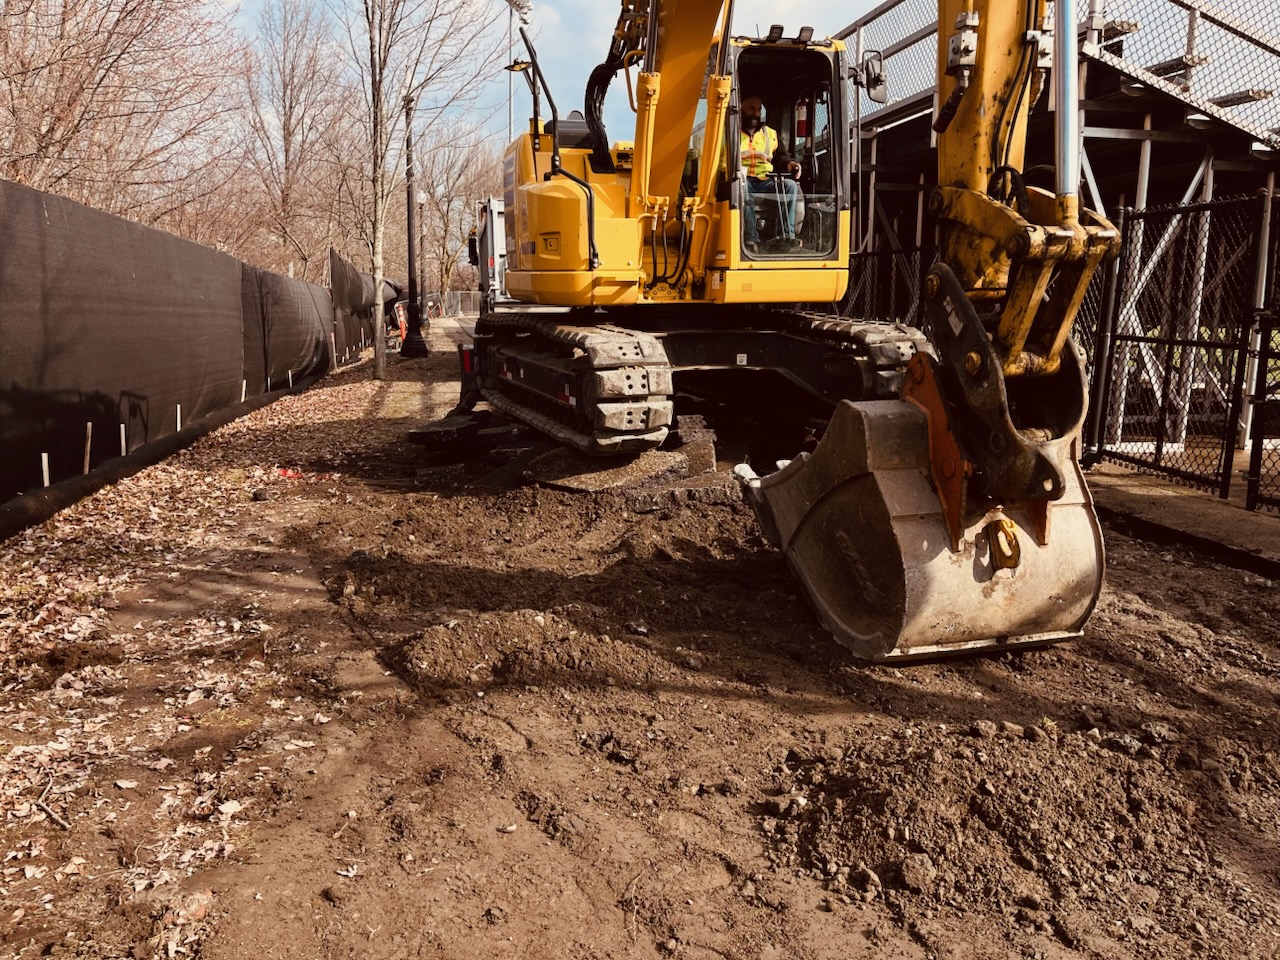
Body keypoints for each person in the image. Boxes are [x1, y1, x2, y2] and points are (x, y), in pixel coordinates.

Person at [740, 94, 801, 252]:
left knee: (790, 186)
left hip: (764, 181)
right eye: (751, 108)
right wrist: (748, 155)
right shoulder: (730, 131)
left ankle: (786, 237)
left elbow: (781, 157)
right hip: (740, 178)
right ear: (741, 109)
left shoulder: (770, 134)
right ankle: (751, 239)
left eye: (759, 109)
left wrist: (791, 164)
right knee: (742, 185)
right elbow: (721, 159)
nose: (755, 113)